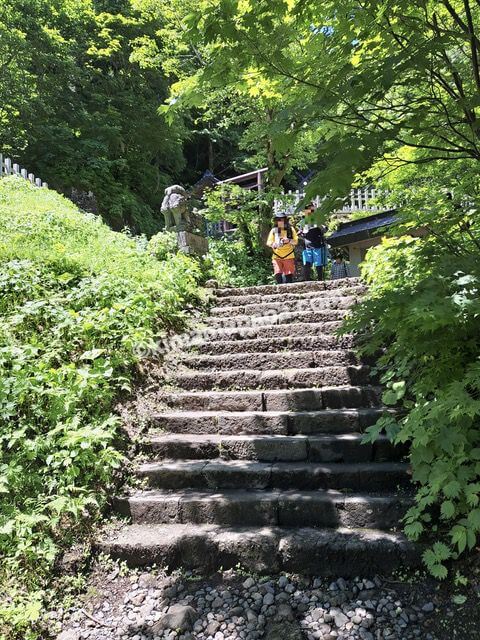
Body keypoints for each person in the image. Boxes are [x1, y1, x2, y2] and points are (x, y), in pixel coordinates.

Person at [266, 212, 298, 284]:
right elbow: (268, 242)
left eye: (282, 219)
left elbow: (295, 242)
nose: (280, 221)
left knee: (288, 275)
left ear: (285, 220)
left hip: (289, 255)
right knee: (278, 273)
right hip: (277, 255)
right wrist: (273, 245)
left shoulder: (291, 229)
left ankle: (289, 290)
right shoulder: (274, 230)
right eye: (278, 220)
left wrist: (288, 240)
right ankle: (280, 290)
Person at [299, 204, 328, 281]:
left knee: (319, 264)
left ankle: (320, 280)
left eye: (312, 210)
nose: (309, 211)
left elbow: (325, 230)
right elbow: (300, 234)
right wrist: (301, 233)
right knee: (307, 263)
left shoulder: (319, 219)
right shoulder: (303, 221)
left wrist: (319, 225)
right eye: (307, 209)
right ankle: (307, 280)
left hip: (318, 245)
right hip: (307, 245)